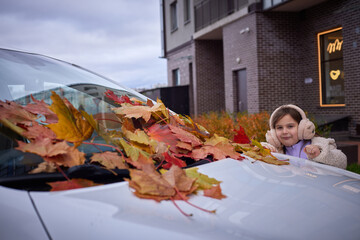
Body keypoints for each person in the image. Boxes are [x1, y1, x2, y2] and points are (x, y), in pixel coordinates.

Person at [262, 104, 347, 169]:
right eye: (279, 128)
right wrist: (263, 151)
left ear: (302, 128)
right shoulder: (276, 150)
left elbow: (342, 162)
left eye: (290, 126)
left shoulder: (320, 144)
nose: (284, 132)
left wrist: (320, 153)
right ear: (273, 133)